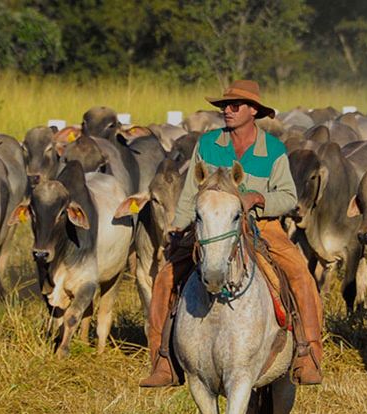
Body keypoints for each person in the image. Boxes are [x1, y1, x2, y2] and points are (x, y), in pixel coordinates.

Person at [139, 80, 325, 387]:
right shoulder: (208, 144)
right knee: (164, 279)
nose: (228, 110)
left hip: (261, 227)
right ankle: (163, 361)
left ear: (253, 111)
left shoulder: (274, 150)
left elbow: (289, 197)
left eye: (235, 105)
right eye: (225, 105)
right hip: (212, 228)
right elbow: (189, 194)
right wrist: (178, 227)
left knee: (300, 276)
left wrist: (259, 199)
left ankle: (308, 355)